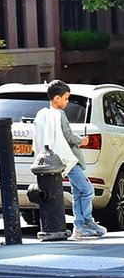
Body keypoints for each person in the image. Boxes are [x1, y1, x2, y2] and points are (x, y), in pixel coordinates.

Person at [32, 79, 106, 239]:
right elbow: (67, 135)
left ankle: (83, 223)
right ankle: (82, 223)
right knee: (87, 190)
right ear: (56, 98)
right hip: (69, 158)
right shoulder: (59, 114)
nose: (67, 101)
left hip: (60, 158)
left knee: (78, 191)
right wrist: (81, 140)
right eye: (66, 98)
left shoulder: (44, 115)